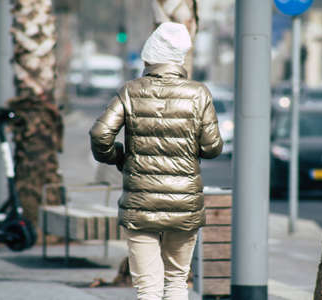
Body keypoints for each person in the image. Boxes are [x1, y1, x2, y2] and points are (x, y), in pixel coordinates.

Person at [89, 22, 223, 300]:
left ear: (149, 56)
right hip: (184, 204)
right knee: (176, 280)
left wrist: (118, 157)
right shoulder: (198, 94)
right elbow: (212, 148)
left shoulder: (130, 91)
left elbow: (100, 133)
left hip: (141, 205)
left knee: (148, 287)